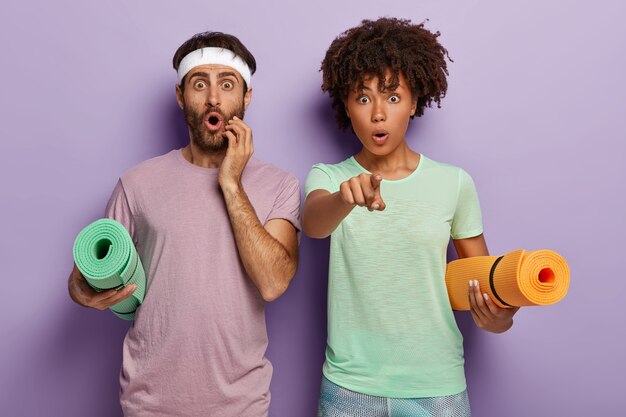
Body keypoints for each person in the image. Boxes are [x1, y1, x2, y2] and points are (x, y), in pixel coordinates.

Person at [67, 31, 300, 416]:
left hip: (240, 405)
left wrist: (230, 182)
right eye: (199, 84)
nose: (213, 98)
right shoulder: (136, 183)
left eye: (227, 85)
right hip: (149, 403)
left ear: (246, 97)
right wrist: (81, 289)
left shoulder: (279, 184)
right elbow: (88, 273)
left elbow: (274, 283)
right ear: (181, 96)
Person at [302, 18, 519, 416]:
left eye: (393, 97)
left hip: (436, 388)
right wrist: (345, 199)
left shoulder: (454, 184)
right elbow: (314, 223)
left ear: (415, 101)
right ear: (347, 106)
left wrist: (499, 317)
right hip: (350, 388)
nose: (378, 114)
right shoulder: (329, 178)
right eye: (363, 98)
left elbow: (487, 292)